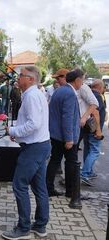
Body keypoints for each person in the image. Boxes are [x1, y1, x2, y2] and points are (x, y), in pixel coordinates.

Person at [1, 66, 51, 240]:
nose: (18, 77)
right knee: (39, 188)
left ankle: (23, 229)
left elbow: (33, 124)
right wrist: (19, 134)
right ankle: (40, 225)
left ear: (31, 79)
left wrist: (13, 130)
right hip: (39, 145)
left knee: (19, 185)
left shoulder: (31, 95)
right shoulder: (34, 94)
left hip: (34, 149)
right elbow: (33, 124)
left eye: (21, 75)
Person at [45, 69, 84, 200]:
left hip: (56, 134)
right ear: (77, 80)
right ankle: (71, 191)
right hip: (65, 136)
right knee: (71, 163)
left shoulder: (60, 90)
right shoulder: (69, 94)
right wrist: (69, 139)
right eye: (82, 80)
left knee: (55, 160)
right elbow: (67, 118)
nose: (82, 83)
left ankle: (48, 187)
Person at [80, 79, 106, 185]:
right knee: (95, 150)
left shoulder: (89, 94)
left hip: (87, 127)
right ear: (100, 87)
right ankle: (85, 173)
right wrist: (98, 130)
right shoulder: (97, 96)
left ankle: (88, 171)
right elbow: (95, 113)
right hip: (93, 127)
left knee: (88, 149)